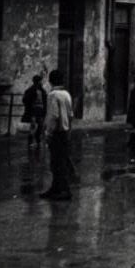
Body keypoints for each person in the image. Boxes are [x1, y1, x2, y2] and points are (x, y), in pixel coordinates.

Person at [40, 69, 74, 201]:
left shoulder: (53, 95)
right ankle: (56, 187)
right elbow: (70, 115)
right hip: (65, 131)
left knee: (56, 162)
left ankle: (64, 189)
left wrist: (48, 132)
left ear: (51, 81)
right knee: (61, 160)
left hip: (57, 132)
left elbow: (53, 116)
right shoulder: (66, 94)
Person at [21, 75, 48, 149]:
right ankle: (31, 141)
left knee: (40, 125)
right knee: (33, 125)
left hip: (40, 110)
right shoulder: (31, 90)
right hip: (33, 110)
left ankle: (38, 140)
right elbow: (25, 100)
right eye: (39, 81)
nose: (41, 82)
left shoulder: (42, 90)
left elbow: (45, 100)